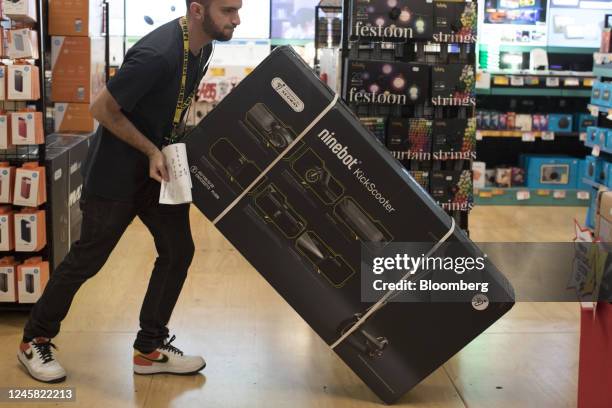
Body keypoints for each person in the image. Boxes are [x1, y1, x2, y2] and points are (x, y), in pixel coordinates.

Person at [17, 0, 242, 383]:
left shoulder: (204, 45)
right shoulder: (158, 53)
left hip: (158, 172)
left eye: (238, 10)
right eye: (227, 11)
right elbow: (101, 109)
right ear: (199, 10)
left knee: (177, 251)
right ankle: (33, 339)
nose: (236, 20)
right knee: (88, 259)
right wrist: (152, 149)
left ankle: (150, 348)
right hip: (117, 174)